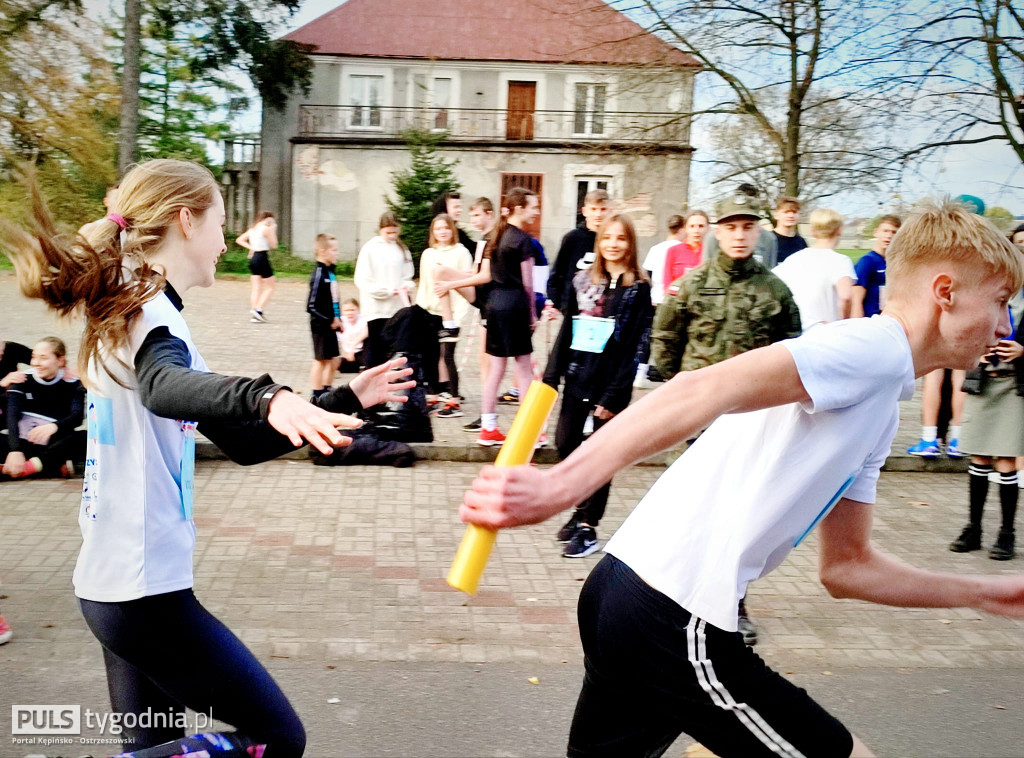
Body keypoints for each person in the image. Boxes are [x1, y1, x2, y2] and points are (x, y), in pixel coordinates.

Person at [459, 199, 1024, 758]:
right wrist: (562, 486)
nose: (1005, 323)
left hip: (621, 593)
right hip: (671, 615)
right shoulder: (871, 349)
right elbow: (696, 388)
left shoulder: (882, 397)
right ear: (945, 292)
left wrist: (986, 594)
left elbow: (847, 568)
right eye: (1000, 301)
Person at [1, 158, 415, 758]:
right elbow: (163, 385)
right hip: (144, 595)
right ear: (186, 221)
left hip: (114, 586)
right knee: (274, 739)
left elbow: (241, 442)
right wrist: (267, 393)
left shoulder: (123, 307)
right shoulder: (151, 317)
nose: (228, 241)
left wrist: (341, 397)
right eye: (223, 223)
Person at [650, 194, 802, 646]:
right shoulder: (692, 284)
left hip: (753, 422)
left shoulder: (775, 290)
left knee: (743, 517)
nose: (739, 234)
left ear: (758, 232)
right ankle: (679, 600)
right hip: (701, 422)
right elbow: (665, 339)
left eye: (747, 227)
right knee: (692, 513)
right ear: (717, 230)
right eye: (731, 226)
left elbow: (793, 351)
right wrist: (683, 391)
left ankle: (732, 604)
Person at [543, 214, 652, 557]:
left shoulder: (639, 288)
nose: (613, 244)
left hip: (611, 385)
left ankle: (589, 526)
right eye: (607, 238)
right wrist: (551, 373)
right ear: (599, 242)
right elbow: (568, 331)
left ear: (630, 244)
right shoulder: (583, 282)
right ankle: (580, 508)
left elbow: (636, 345)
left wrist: (614, 394)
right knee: (565, 443)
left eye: (621, 238)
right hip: (579, 377)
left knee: (602, 455)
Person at [435, 188, 540, 446]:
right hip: (515, 305)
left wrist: (449, 284)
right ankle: (528, 433)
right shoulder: (523, 240)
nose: (536, 211)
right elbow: (528, 284)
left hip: (494, 305)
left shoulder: (494, 236)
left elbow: (485, 275)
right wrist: (533, 313)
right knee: (524, 369)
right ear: (519, 209)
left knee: (495, 369)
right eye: (533, 207)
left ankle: (489, 427)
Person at [1, 337, 86, 480]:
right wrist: (15, 450)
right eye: (34, 357)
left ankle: (23, 469)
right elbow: (12, 417)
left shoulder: (72, 383)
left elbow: (77, 417)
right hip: (21, 442)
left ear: (60, 360)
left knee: (84, 438)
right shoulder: (21, 380)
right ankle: (45, 467)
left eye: (43, 358)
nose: (35, 363)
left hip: (53, 444)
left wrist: (54, 427)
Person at [416, 214, 473, 418]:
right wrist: (420, 308)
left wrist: (459, 314)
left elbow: (466, 282)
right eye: (438, 228)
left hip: (451, 313)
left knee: (447, 356)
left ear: (452, 230)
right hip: (430, 311)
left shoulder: (461, 252)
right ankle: (433, 395)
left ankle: (454, 399)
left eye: (446, 228)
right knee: (430, 356)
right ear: (433, 232)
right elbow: (424, 284)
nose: (442, 232)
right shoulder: (428, 254)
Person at [772, 208, 856, 331]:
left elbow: (773, 288)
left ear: (812, 232)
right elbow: (846, 296)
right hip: (826, 333)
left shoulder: (794, 259)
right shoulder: (841, 261)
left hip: (798, 332)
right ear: (839, 230)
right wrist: (842, 324)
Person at [354, 211, 415, 369]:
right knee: (375, 348)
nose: (392, 236)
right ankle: (370, 383)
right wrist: (387, 291)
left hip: (396, 308)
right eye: (388, 232)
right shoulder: (370, 249)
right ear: (381, 230)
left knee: (391, 349)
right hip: (376, 309)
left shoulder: (402, 249)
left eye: (394, 232)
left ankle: (387, 382)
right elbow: (363, 279)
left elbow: (408, 275)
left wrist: (405, 286)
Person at [548, 189, 609, 313]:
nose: (598, 214)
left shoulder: (611, 240)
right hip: (573, 309)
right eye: (593, 209)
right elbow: (558, 274)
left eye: (603, 209)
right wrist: (561, 305)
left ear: (610, 211)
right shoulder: (573, 238)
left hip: (602, 309)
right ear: (584, 211)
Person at [702, 184, 779, 268]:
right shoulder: (714, 237)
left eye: (747, 227)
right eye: (731, 227)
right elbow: (706, 271)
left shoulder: (768, 238)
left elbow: (771, 270)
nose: (740, 236)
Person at [307, 233, 342, 401]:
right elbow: (311, 305)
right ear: (322, 251)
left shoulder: (330, 272)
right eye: (333, 250)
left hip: (332, 324)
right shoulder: (319, 273)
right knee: (320, 360)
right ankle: (316, 393)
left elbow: (334, 299)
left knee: (332, 359)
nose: (337, 253)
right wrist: (330, 320)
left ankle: (327, 390)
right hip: (321, 325)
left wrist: (339, 318)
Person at [852, 215, 901, 318]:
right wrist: (858, 325)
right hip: (870, 321)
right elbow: (856, 300)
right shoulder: (867, 261)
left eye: (893, 232)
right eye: (885, 231)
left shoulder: (895, 263)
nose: (889, 236)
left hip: (888, 320)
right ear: (876, 232)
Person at [236, 211, 278, 323]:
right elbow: (274, 245)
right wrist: (273, 229)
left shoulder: (253, 229)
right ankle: (258, 310)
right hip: (262, 257)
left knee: (256, 287)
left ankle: (255, 312)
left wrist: (251, 247)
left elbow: (239, 240)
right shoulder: (266, 229)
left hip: (254, 258)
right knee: (271, 286)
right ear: (268, 219)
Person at [662, 210, 709, 286]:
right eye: (692, 226)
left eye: (701, 226)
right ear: (685, 228)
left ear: (707, 228)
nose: (696, 231)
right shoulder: (673, 251)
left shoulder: (712, 251)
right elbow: (667, 283)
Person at [772, 196, 808, 264]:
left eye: (794, 212)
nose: (791, 215)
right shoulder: (768, 239)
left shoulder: (801, 242)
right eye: (786, 212)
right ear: (776, 215)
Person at [338, 299, 368, 374]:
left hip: (361, 351)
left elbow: (365, 334)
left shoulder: (363, 320)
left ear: (358, 310)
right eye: (346, 310)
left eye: (352, 310)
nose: (349, 313)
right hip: (348, 354)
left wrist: (352, 348)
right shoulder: (341, 321)